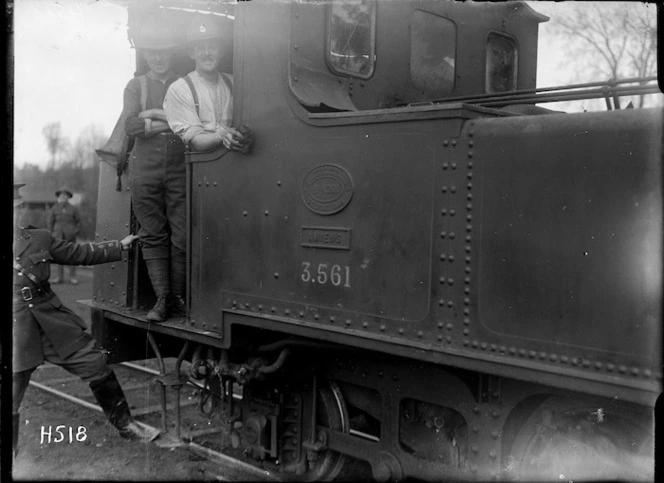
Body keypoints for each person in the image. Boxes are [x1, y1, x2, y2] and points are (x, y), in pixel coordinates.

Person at [12, 183, 159, 457]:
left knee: (94, 361)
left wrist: (119, 246)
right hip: (14, 331)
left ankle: (126, 424)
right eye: (13, 209)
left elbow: (79, 253)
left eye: (19, 208)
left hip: (51, 321)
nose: (17, 214)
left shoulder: (39, 238)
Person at [124, 14, 187, 322]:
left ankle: (177, 297)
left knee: (182, 234)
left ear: (171, 53)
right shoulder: (135, 85)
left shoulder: (183, 84)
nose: (159, 57)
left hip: (179, 167)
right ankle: (163, 300)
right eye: (153, 51)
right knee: (152, 234)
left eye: (164, 51)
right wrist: (165, 121)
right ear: (146, 54)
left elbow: (188, 123)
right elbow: (132, 124)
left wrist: (154, 116)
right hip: (144, 169)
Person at [163, 14, 253, 153]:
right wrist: (222, 135)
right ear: (192, 53)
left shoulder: (235, 83)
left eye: (212, 47)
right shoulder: (180, 89)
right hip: (203, 169)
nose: (206, 53)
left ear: (221, 52)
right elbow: (197, 141)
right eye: (200, 48)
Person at [47, 186, 82, 285]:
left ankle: (73, 277)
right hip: (57, 235)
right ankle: (59, 277)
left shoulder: (73, 208)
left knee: (72, 255)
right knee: (58, 256)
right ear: (58, 197)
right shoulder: (54, 208)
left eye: (64, 195)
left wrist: (75, 231)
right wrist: (51, 233)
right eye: (61, 195)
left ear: (68, 197)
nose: (62, 197)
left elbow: (78, 222)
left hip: (70, 235)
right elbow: (50, 222)